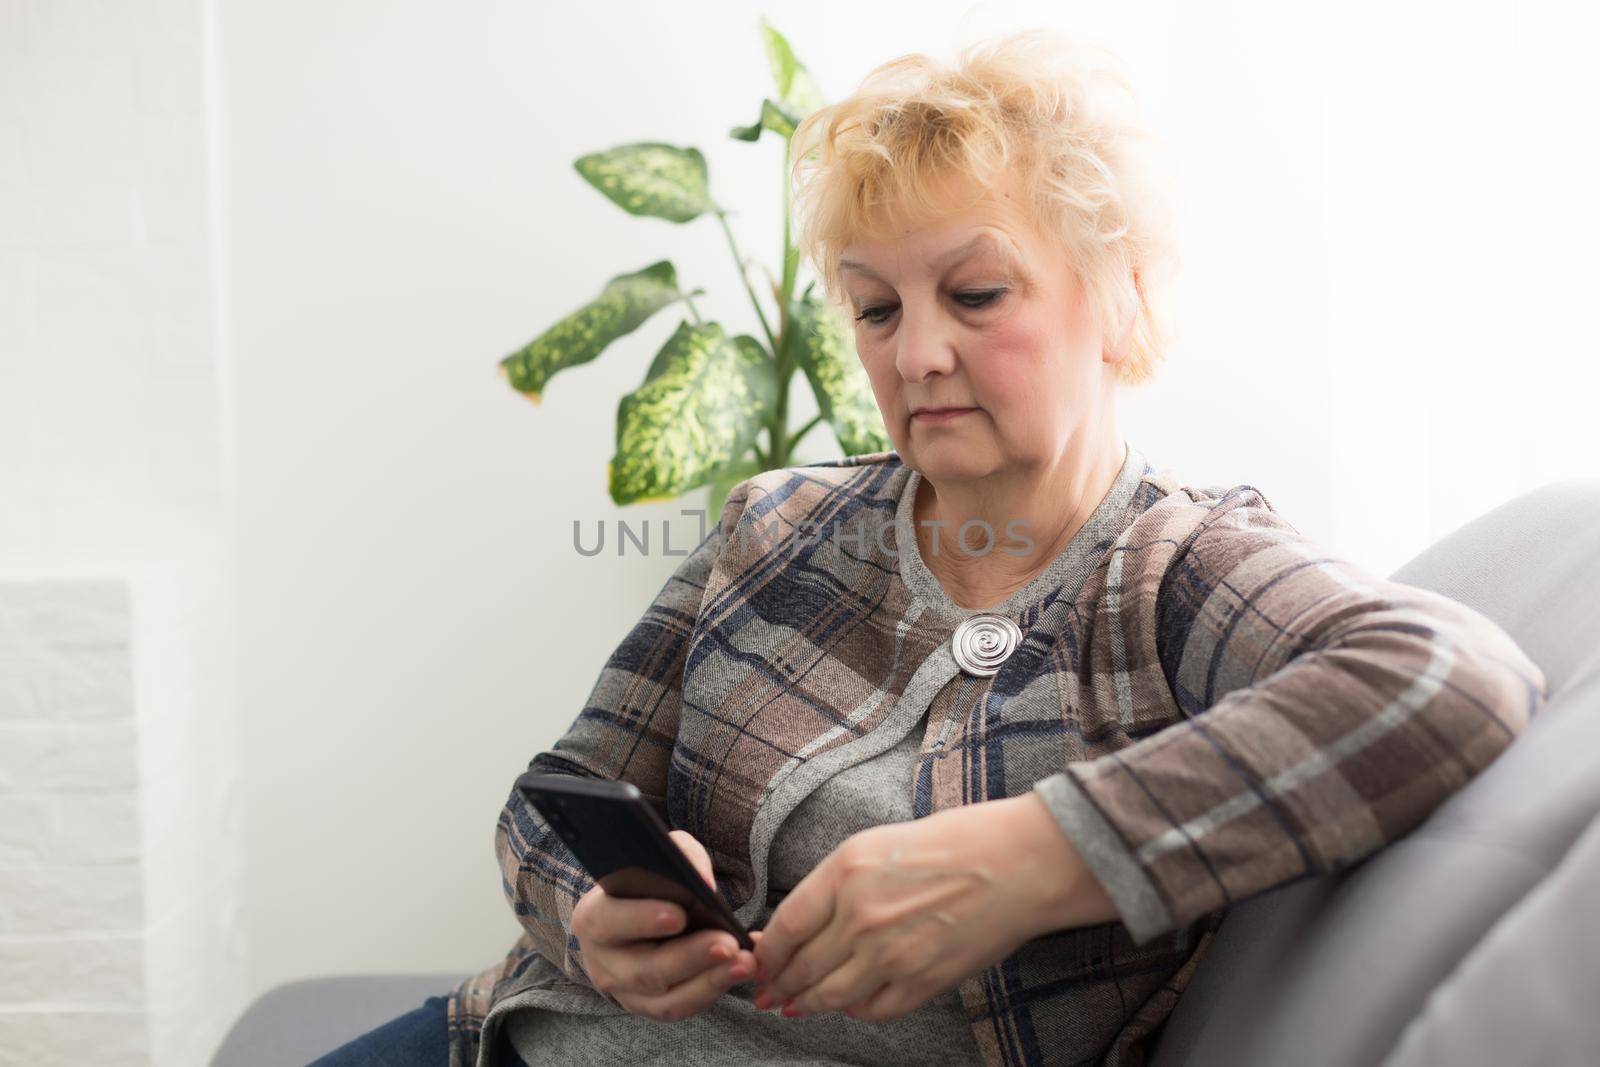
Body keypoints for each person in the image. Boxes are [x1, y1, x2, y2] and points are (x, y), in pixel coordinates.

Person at [313, 28, 1548, 1067]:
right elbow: (556, 791)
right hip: (512, 1038)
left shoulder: (1176, 567)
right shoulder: (775, 523)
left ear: (1115, 293)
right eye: (876, 306)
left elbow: (1455, 676)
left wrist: (1037, 853)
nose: (914, 355)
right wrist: (584, 910)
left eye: (975, 294)